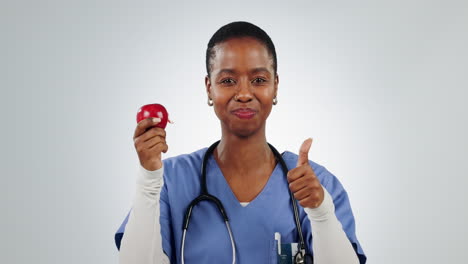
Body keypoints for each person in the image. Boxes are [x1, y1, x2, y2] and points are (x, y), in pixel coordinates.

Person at [115, 21, 366, 263]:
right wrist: (148, 180)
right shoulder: (169, 181)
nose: (244, 93)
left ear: (275, 86)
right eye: (227, 81)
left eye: (258, 80)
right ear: (209, 88)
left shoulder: (314, 183)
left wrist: (320, 212)